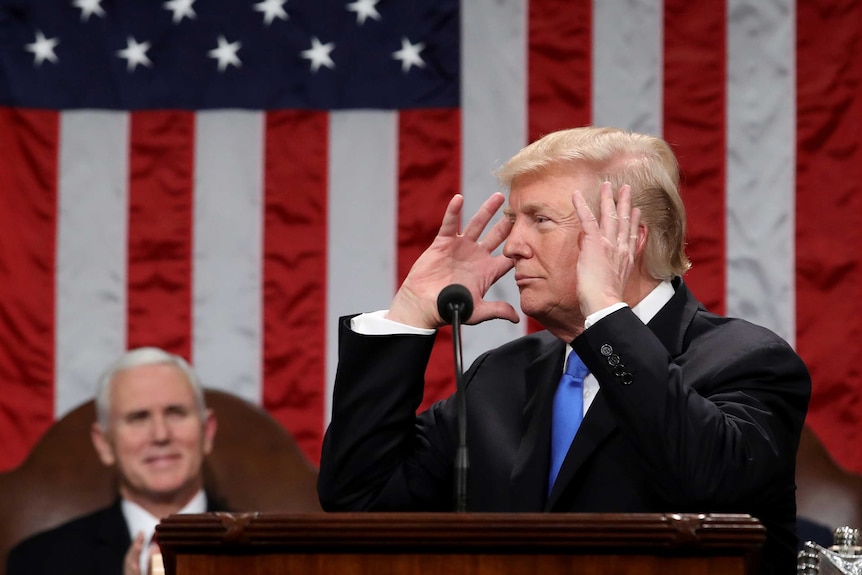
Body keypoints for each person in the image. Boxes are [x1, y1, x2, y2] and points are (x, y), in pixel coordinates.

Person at [318, 126, 811, 575]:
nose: (512, 246)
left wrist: (606, 313)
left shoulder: (748, 360)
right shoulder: (502, 375)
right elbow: (360, 499)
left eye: (540, 220)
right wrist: (408, 315)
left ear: (626, 239)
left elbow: (710, 484)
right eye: (514, 219)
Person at [7, 347, 221, 575]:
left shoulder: (262, 550)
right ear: (104, 444)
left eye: (175, 413)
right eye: (138, 418)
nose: (161, 435)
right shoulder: (40, 561)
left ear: (207, 432)